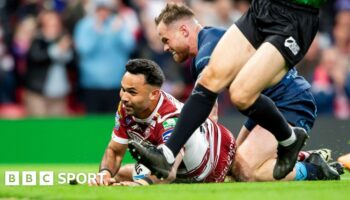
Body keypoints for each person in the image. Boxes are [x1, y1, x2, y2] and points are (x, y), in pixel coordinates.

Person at [129, 1, 335, 180]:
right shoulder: (208, 44)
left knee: (248, 172)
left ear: (184, 31)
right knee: (232, 167)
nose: (165, 48)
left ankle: (313, 168)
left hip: (289, 100)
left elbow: (211, 114)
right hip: (264, 10)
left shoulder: (206, 52)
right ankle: (166, 154)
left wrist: (194, 157)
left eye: (166, 40)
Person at [90, 58, 236, 186]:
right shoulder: (127, 107)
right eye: (123, 89)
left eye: (132, 92)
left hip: (215, 159)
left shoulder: (170, 118)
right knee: (116, 176)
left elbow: (168, 171)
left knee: (250, 176)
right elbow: (115, 152)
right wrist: (104, 174)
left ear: (154, 94)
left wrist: (140, 184)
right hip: (178, 167)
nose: (124, 97)